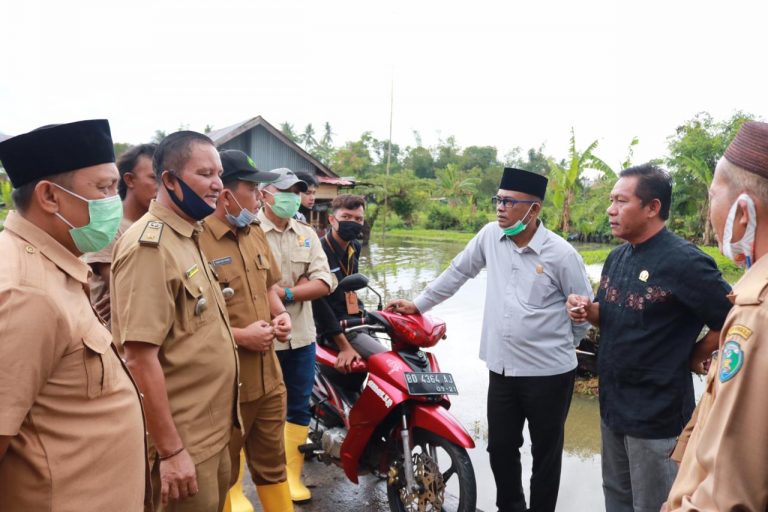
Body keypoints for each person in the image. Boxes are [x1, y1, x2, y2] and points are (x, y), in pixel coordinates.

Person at [388, 167, 593, 512]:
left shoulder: (561, 254)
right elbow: (458, 272)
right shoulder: (489, 236)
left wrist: (557, 346)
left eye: (510, 202)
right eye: (498, 199)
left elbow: (583, 312)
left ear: (534, 209)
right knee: (500, 447)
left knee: (546, 453)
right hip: (502, 368)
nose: (500, 207)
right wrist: (419, 304)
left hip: (549, 374)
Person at [0, 119, 148, 511]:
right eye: (103, 188)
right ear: (50, 197)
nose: (113, 201)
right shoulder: (26, 293)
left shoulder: (56, 265)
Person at [567, 163, 732, 512]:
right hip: (612, 407)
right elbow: (609, 313)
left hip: (657, 417)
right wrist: (586, 310)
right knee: (616, 498)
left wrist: (695, 354)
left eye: (621, 201)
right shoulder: (617, 257)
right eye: (611, 200)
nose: (610, 209)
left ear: (652, 207)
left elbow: (732, 318)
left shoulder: (686, 262)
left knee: (655, 505)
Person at [111, 131, 240, 512]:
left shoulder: (188, 234)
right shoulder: (149, 247)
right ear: (169, 180)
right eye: (205, 173)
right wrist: (171, 452)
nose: (218, 184)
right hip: (184, 441)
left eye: (219, 173)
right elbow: (139, 358)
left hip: (212, 431)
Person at [662, 121, 768, 511]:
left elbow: (730, 494)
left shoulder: (756, 314)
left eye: (713, 196)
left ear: (743, 212)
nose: (710, 212)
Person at [198, 150, 294, 511]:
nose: (260, 197)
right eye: (253, 189)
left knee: (273, 465)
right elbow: (187, 322)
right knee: (222, 472)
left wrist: (281, 315)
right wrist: (241, 337)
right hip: (226, 387)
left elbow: (269, 287)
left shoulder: (254, 232)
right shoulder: (196, 239)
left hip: (269, 378)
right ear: (226, 195)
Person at [257, 168, 333, 502]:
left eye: (296, 191)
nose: (292, 197)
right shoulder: (248, 231)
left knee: (299, 407)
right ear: (264, 194)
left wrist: (286, 294)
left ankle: (291, 477)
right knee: (252, 409)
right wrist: (298, 288)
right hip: (260, 337)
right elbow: (249, 285)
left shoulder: (307, 233)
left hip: (301, 337)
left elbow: (324, 281)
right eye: (284, 191)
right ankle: (242, 485)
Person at [313, 194, 386, 371]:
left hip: (354, 319)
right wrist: (344, 346)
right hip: (333, 327)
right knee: (388, 362)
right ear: (332, 219)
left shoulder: (355, 246)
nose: (352, 222)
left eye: (358, 219)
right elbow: (317, 303)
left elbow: (350, 287)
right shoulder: (318, 250)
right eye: (346, 217)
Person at [87, 142, 157, 323]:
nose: (161, 186)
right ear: (130, 180)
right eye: (153, 178)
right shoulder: (109, 227)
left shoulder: (160, 224)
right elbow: (125, 291)